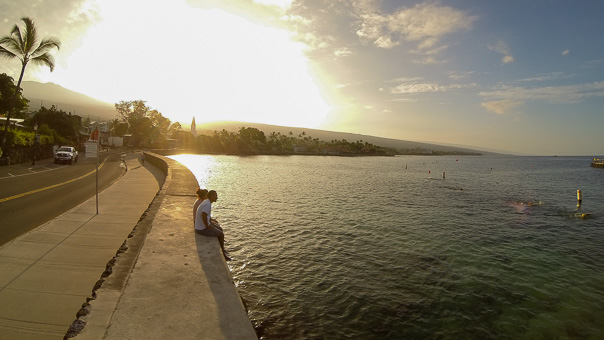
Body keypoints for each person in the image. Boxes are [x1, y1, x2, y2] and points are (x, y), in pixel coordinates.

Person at [195, 190, 231, 261]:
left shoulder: (207, 202)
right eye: (216, 196)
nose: (217, 197)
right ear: (211, 196)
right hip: (201, 228)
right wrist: (207, 226)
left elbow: (206, 215)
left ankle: (222, 248)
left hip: (202, 225)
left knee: (219, 228)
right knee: (221, 234)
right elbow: (204, 214)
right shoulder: (207, 204)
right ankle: (223, 254)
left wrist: (211, 220)